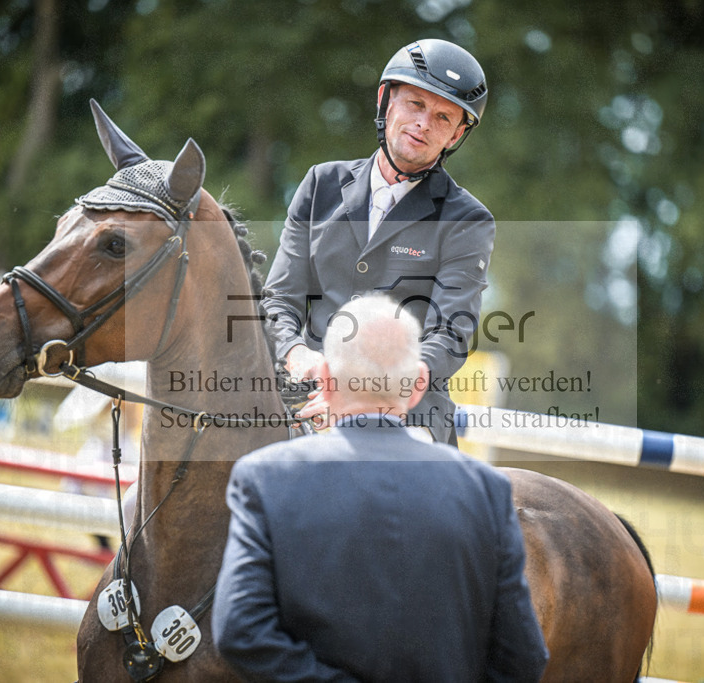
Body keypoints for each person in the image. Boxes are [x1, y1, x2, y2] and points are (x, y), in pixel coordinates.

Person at [212, 294, 549, 682]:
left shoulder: (264, 479)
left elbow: (241, 631)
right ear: (420, 384)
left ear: (324, 378)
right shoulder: (486, 491)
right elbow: (523, 657)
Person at [261, 38, 496, 445]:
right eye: (416, 105)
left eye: (443, 117)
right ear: (387, 102)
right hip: (306, 390)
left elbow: (450, 332)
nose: (424, 123)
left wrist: (372, 397)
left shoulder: (467, 219)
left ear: (457, 134)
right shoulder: (321, 184)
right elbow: (279, 300)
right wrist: (298, 356)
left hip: (404, 407)